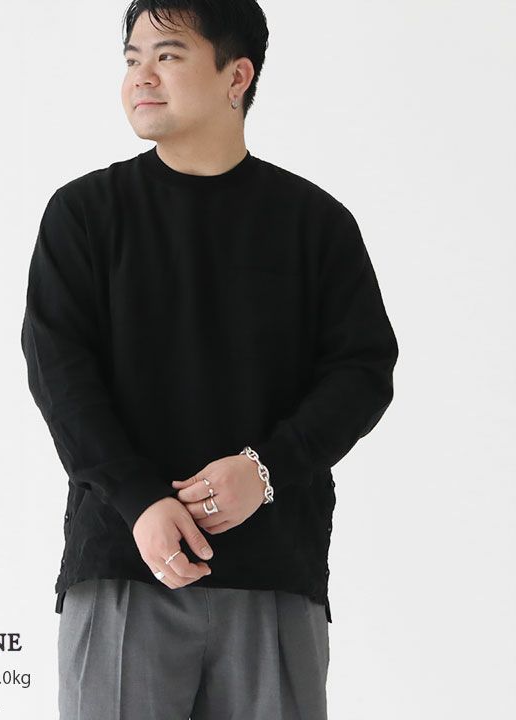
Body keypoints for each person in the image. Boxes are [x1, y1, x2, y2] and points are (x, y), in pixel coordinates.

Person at [20, 1, 399, 718]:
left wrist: (266, 469)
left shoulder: (315, 224)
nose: (142, 76)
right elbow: (60, 375)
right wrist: (139, 499)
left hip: (273, 574)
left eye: (167, 55)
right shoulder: (86, 214)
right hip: (124, 565)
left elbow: (363, 371)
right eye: (132, 59)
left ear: (237, 75)